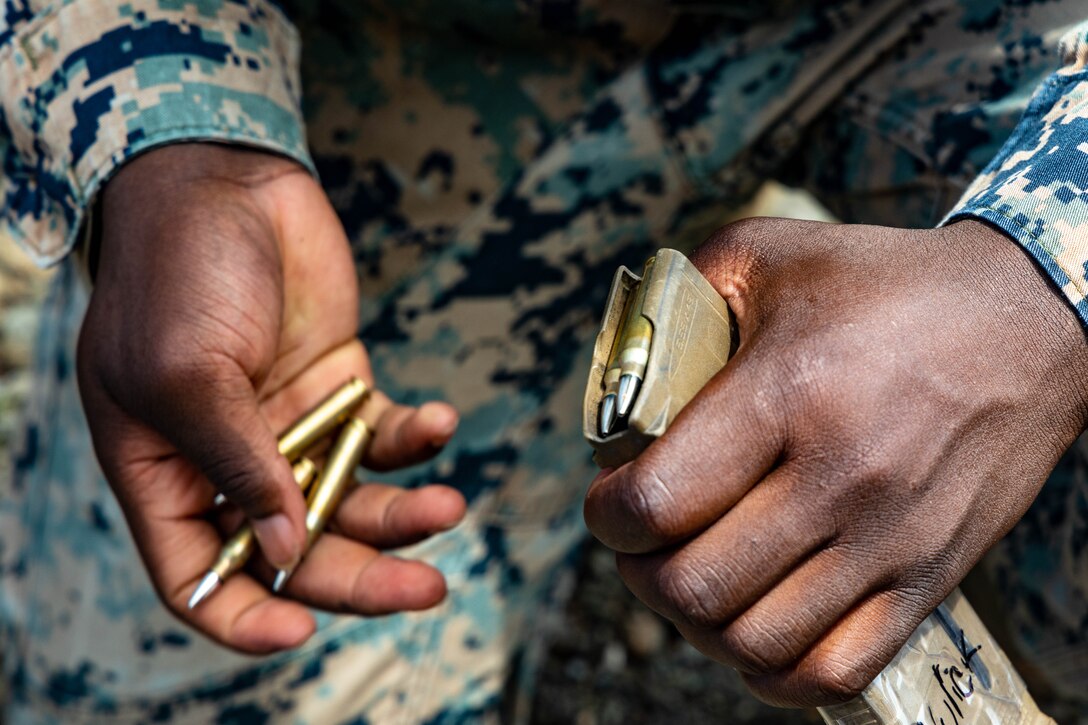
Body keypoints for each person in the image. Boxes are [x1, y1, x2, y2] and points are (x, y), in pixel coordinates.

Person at [2, 0, 1087, 722]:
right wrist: (167, 125)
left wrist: (1042, 281)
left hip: (966, 30)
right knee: (193, 663)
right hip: (409, 41)